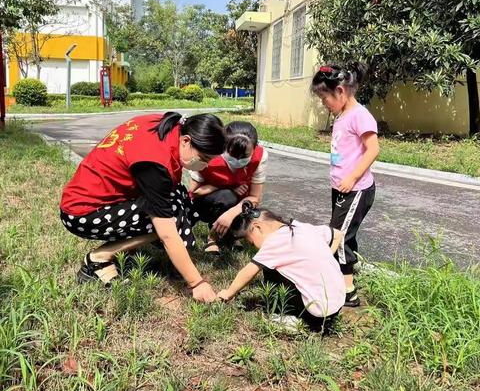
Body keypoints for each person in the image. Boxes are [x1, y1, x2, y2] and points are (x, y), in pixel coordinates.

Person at [60, 112, 226, 303]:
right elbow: (167, 232)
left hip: (99, 195)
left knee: (178, 198)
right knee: (171, 218)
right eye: (204, 158)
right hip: (83, 213)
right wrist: (197, 283)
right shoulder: (154, 164)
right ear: (186, 140)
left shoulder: (166, 124)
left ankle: (145, 254)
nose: (205, 165)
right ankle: (98, 258)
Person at [311, 63, 379, 307]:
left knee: (337, 236)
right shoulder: (342, 116)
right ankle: (346, 273)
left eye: (324, 97)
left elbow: (373, 149)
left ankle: (348, 291)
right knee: (343, 233)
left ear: (340, 91)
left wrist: (351, 178)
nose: (323, 103)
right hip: (342, 188)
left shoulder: (360, 115)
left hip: (356, 189)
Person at [217, 201, 345, 332]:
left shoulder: (274, 242)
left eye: (251, 242)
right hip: (337, 303)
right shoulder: (300, 226)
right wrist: (323, 258)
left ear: (257, 228)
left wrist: (228, 293)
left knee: (269, 268)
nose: (254, 247)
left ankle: (285, 317)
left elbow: (248, 271)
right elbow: (338, 235)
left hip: (316, 312)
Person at [189, 121, 268, 254]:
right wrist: (223, 186)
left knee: (257, 215)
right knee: (227, 196)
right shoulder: (208, 153)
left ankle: (230, 233)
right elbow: (193, 192)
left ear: (255, 148)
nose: (237, 160)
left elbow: (255, 197)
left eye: (244, 156)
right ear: (223, 146)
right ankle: (212, 237)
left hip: (241, 202)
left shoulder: (260, 157)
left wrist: (230, 214)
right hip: (207, 202)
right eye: (232, 154)